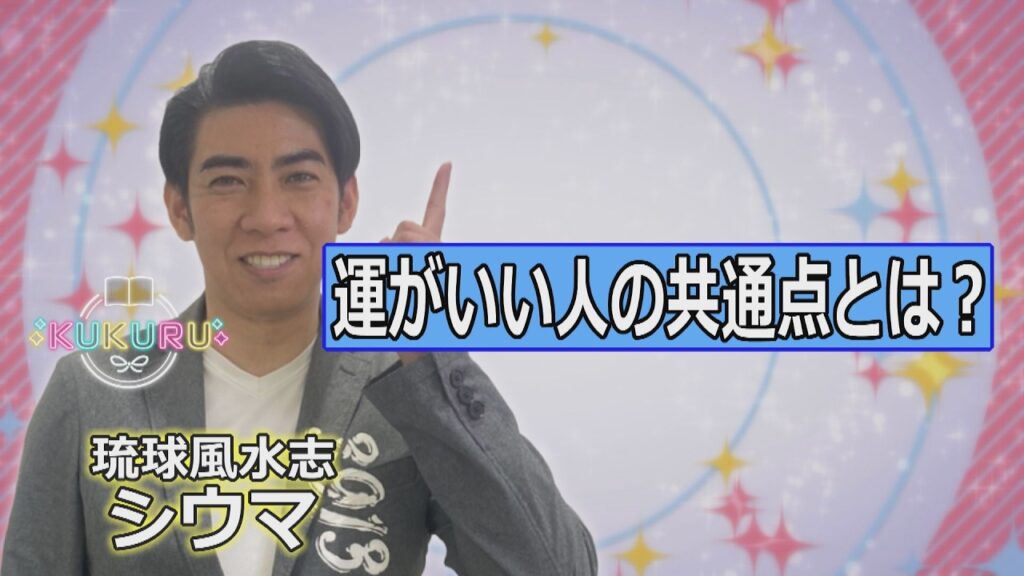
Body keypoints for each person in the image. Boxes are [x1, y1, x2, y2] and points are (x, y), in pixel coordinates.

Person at [1, 40, 597, 576]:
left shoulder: (405, 386)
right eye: (228, 180)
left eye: (299, 177)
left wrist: (432, 347)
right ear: (180, 209)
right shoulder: (92, 391)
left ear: (346, 202)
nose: (267, 216)